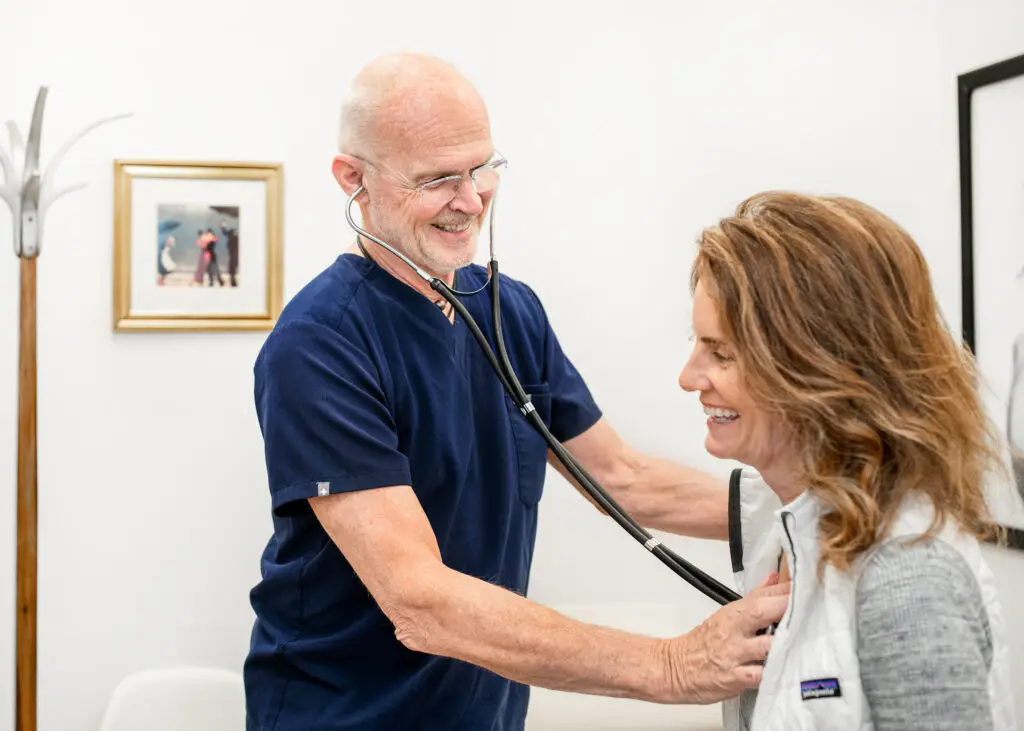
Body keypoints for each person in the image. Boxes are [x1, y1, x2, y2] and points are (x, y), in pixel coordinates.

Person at [243, 52, 788, 731]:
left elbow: (623, 478)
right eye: (438, 178)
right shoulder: (321, 343)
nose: (470, 199)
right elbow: (421, 601)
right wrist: (671, 664)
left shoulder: (509, 311)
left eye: (482, 168)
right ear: (354, 180)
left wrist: (807, 507)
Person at [677, 190, 1017, 730]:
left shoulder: (909, 583)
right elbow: (626, 483)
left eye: (721, 353)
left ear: (817, 368)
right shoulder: (792, 534)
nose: (689, 378)